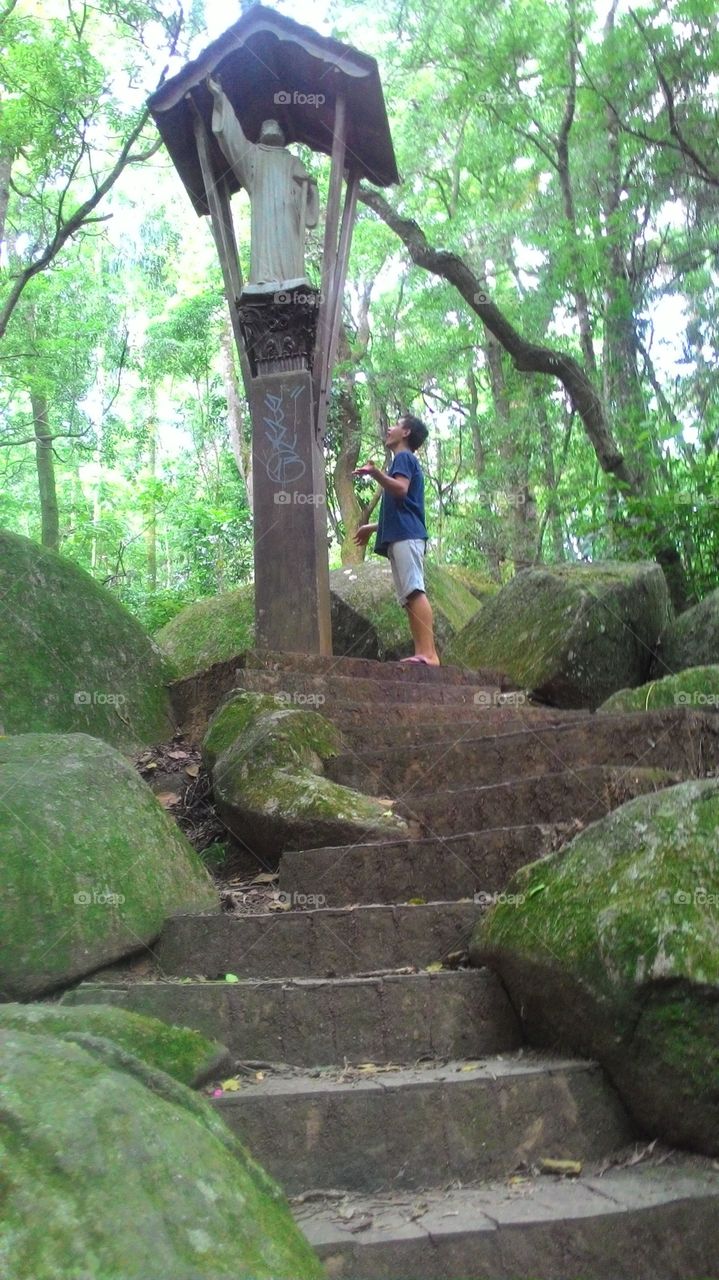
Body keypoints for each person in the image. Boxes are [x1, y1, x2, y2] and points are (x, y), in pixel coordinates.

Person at [207, 78, 319, 293]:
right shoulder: (253, 156)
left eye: (275, 125)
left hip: (288, 223)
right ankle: (264, 279)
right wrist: (220, 98)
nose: (272, 127)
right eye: (267, 126)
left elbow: (308, 203)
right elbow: (233, 140)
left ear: (283, 135)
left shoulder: (293, 162)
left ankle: (291, 276)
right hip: (265, 221)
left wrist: (308, 189)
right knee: (264, 261)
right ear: (260, 134)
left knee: (290, 265)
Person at [353, 414, 439, 666]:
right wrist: (371, 527)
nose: (389, 428)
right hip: (403, 534)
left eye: (396, 425)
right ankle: (423, 652)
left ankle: (429, 654)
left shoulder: (403, 458)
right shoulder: (404, 461)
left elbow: (400, 490)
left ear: (406, 433)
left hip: (407, 536)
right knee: (408, 596)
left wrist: (375, 473)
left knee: (414, 590)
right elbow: (405, 508)